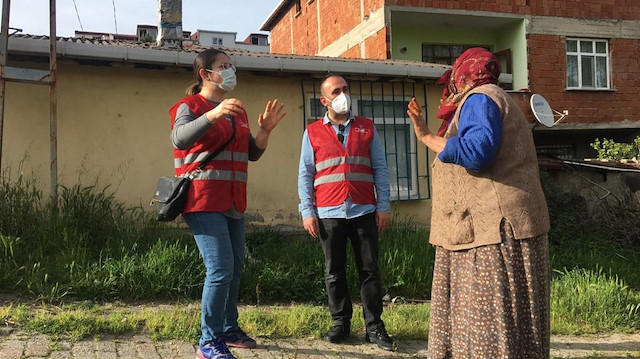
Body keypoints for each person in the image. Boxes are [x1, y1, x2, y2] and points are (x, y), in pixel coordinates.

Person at [406, 48, 550, 358]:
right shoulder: (500, 98)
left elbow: (476, 153)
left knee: (489, 326)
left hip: (491, 236)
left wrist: (427, 137)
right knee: (513, 326)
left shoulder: (480, 99)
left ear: (463, 76)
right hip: (509, 228)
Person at [170, 49, 285, 359]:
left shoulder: (238, 111)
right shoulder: (189, 106)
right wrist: (214, 113)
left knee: (235, 268)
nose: (230, 70)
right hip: (203, 200)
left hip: (234, 200)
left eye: (231, 65)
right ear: (206, 74)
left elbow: (252, 153)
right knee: (220, 269)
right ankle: (208, 342)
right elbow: (179, 138)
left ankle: (228, 328)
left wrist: (264, 131)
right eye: (223, 66)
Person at [297, 73, 396, 351]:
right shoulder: (312, 132)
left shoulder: (366, 127)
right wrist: (307, 211)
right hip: (329, 212)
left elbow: (380, 168)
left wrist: (384, 206)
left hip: (364, 209)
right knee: (334, 271)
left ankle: (374, 327)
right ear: (323, 100)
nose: (343, 95)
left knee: (370, 270)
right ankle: (340, 324)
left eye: (346, 89)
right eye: (336, 91)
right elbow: (305, 174)